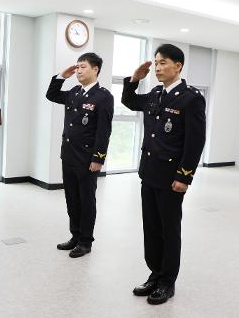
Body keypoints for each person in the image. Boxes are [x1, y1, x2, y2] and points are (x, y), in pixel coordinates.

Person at [122, 44, 206, 305]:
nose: (157, 67)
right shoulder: (156, 93)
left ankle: (167, 281)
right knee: (151, 227)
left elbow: (195, 142)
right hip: (149, 172)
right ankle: (155, 273)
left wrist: (184, 176)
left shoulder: (191, 97)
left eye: (163, 63)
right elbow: (129, 100)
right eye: (156, 63)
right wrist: (134, 80)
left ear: (178, 66)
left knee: (169, 229)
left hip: (172, 177)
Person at [46, 52, 114, 258]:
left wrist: (98, 158)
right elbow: (51, 95)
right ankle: (75, 236)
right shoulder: (75, 92)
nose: (78, 70)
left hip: (86, 159)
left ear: (95, 69)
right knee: (72, 199)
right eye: (77, 67)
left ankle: (86, 241)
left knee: (86, 201)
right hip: (68, 156)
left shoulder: (103, 96)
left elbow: (104, 131)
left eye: (83, 66)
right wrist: (61, 76)